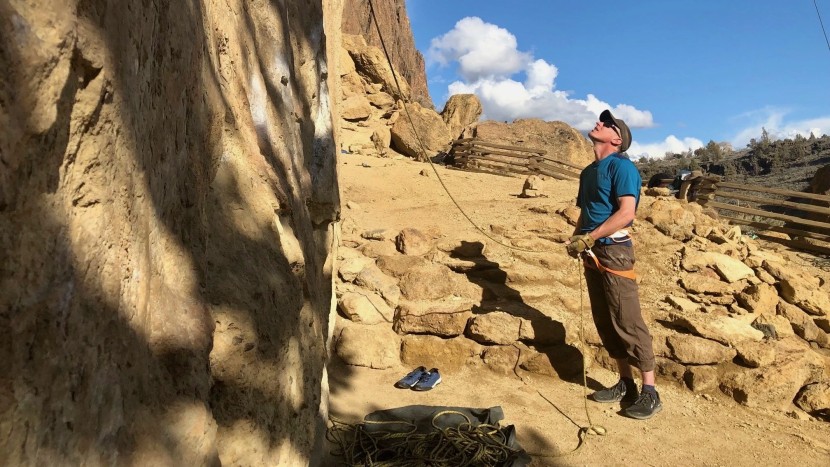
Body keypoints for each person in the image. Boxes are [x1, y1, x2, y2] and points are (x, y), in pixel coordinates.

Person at [565, 109, 662, 420]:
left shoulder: (622, 168)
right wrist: (575, 238)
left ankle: (650, 391)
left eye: (607, 124)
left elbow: (626, 214)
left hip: (614, 251)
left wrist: (589, 237)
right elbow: (587, 211)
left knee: (627, 319)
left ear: (616, 139)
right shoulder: (588, 172)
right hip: (592, 250)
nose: (599, 123)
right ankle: (625, 383)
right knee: (605, 319)